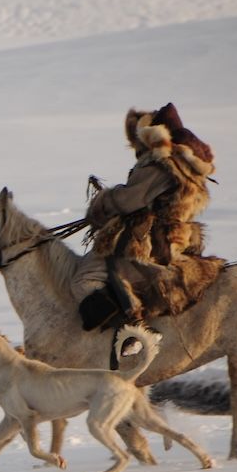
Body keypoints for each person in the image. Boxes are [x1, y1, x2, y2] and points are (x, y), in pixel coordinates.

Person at [74, 103, 218, 331]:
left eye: (136, 141)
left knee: (87, 278)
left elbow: (130, 200)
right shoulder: (187, 166)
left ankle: (131, 331)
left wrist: (103, 203)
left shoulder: (160, 165)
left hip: (154, 241)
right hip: (178, 237)